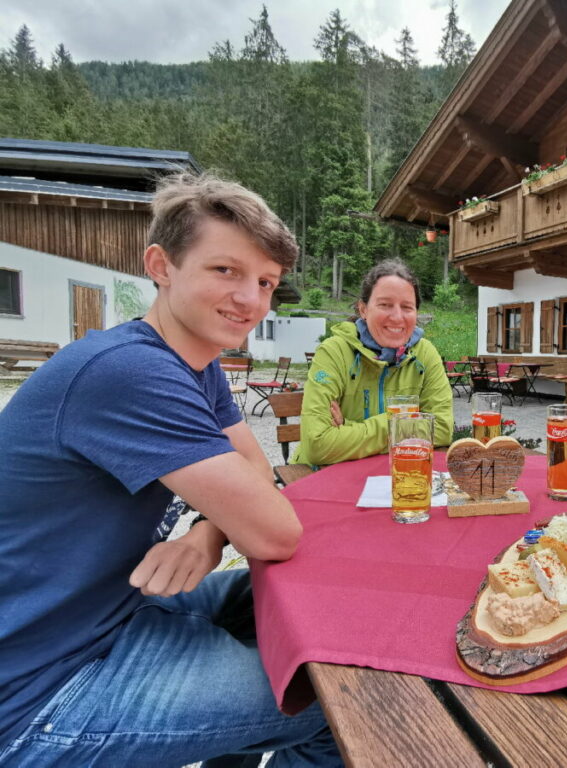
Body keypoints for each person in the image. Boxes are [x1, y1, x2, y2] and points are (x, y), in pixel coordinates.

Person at [0, 173, 342, 767]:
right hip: (42, 687)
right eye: (225, 271)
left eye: (266, 282)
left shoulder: (194, 364)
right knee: (344, 697)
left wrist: (207, 535)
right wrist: (229, 525)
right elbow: (274, 530)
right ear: (161, 265)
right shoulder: (129, 371)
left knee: (309, 609)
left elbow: (257, 469)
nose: (251, 300)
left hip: (109, 613)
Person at [293, 259, 453, 465]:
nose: (397, 317)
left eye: (407, 307)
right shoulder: (334, 352)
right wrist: (405, 425)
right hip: (322, 473)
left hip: (393, 475)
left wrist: (347, 427)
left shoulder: (425, 354)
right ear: (363, 309)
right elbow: (317, 444)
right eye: (385, 305)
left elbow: (442, 429)